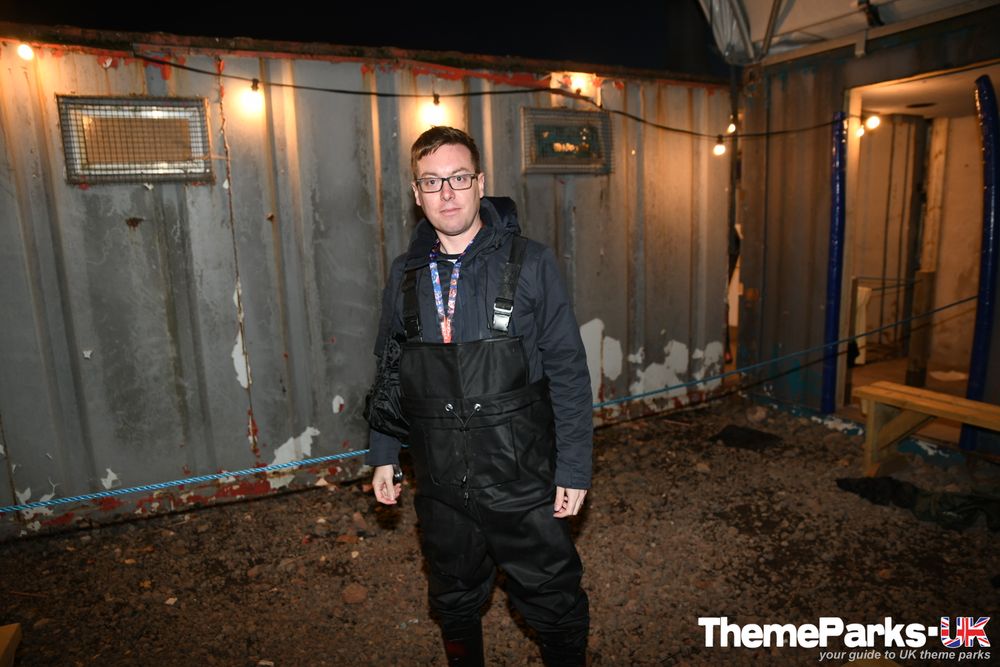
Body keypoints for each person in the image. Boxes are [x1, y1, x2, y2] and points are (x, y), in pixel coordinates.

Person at [367, 126, 592, 666]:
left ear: (480, 183)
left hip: (522, 478)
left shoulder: (530, 262)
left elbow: (568, 370)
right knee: (453, 599)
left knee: (554, 599)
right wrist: (383, 453)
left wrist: (575, 467)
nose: (447, 193)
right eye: (432, 181)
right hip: (441, 481)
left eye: (459, 178)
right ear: (416, 193)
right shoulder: (405, 276)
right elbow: (390, 369)